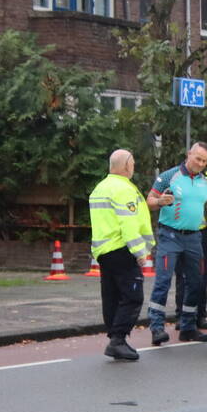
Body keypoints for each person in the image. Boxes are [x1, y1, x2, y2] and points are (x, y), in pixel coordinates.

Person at [88, 149, 154, 361]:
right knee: (133, 296)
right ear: (126, 166)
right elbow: (129, 223)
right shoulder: (124, 190)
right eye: (132, 163)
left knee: (111, 295)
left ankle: (115, 339)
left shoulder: (100, 188)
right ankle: (117, 340)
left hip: (103, 251)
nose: (133, 167)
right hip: (122, 249)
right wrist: (140, 251)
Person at [146, 142, 207, 345]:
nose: (200, 164)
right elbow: (149, 200)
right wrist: (159, 202)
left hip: (194, 238)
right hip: (170, 236)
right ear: (188, 155)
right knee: (163, 282)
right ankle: (156, 328)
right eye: (198, 158)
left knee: (196, 282)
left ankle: (188, 327)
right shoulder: (169, 177)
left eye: (205, 161)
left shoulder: (205, 183)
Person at [173, 170, 207, 329]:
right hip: (182, 230)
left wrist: (205, 204)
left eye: (203, 160)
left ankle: (200, 316)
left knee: (201, 275)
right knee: (182, 275)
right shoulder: (178, 177)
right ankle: (181, 316)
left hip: (202, 232)